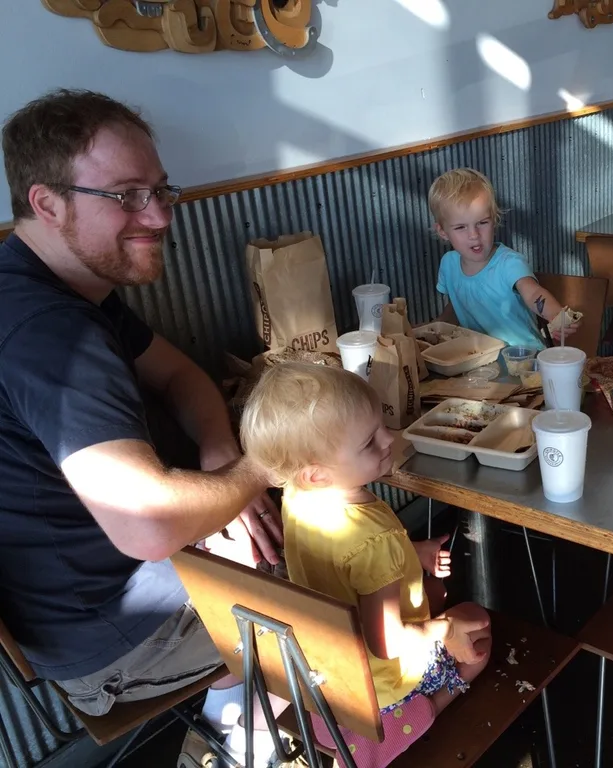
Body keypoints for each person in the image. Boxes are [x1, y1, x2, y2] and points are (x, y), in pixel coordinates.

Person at [0, 89, 290, 765]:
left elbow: (180, 375)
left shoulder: (51, 282)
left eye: (161, 189)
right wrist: (258, 470)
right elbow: (147, 526)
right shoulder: (51, 334)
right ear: (47, 204)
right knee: (344, 592)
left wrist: (221, 450)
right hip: (112, 639)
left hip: (93, 595)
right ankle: (249, 736)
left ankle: (237, 718)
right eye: (127, 195)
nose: (158, 216)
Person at [240, 362, 492, 765]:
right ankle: (422, 711)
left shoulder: (299, 497)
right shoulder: (378, 544)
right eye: (368, 443)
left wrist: (412, 553)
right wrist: (445, 630)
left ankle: (365, 723)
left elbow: (349, 558)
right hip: (382, 688)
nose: (388, 439)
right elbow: (387, 642)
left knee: (435, 591)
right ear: (318, 473)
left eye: (380, 428)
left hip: (331, 676)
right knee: (475, 622)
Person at [429, 168, 579, 350]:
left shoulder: (509, 263)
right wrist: (436, 326)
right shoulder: (448, 264)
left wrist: (556, 315)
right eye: (461, 227)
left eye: (482, 223)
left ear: (494, 220)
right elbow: (457, 302)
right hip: (477, 361)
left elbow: (533, 294)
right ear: (443, 231)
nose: (474, 235)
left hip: (527, 358)